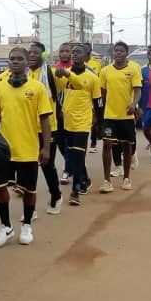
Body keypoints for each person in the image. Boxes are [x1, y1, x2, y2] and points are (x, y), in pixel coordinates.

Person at [0, 47, 52, 248]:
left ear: (27, 62)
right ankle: (5, 227)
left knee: (29, 190)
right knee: (0, 188)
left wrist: (46, 148)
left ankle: (26, 225)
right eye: (12, 59)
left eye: (19, 59)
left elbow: (45, 121)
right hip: (4, 151)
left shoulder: (38, 88)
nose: (15, 62)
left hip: (28, 149)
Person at [55, 44, 101, 206]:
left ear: (87, 55)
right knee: (74, 157)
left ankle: (75, 192)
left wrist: (100, 125)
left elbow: (98, 103)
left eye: (78, 52)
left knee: (78, 155)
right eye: (73, 52)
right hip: (67, 122)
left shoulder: (92, 77)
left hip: (83, 122)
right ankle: (85, 179)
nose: (74, 55)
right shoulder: (62, 74)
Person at [98, 40, 142, 192]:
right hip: (110, 116)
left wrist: (134, 104)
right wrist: (103, 110)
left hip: (126, 116)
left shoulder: (134, 68)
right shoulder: (105, 71)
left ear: (126, 53)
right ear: (113, 53)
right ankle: (106, 181)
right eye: (116, 51)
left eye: (121, 51)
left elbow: (137, 90)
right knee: (107, 145)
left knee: (126, 146)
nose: (118, 53)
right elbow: (102, 92)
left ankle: (126, 178)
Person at [28, 42, 63, 214]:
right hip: (28, 129)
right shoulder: (22, 75)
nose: (32, 55)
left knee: (46, 165)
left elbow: (73, 83)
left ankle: (56, 195)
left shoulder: (52, 74)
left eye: (36, 53)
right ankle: (30, 209)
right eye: (30, 52)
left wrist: (66, 73)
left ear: (43, 55)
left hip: (49, 128)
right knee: (29, 166)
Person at [54, 42, 74, 184]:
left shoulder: (76, 68)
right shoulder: (53, 69)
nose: (64, 53)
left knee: (69, 142)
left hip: (73, 112)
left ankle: (67, 170)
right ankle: (72, 162)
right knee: (60, 141)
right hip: (57, 112)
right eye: (62, 51)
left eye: (67, 51)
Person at [84, 43, 104, 153]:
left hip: (95, 94)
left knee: (95, 119)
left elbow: (100, 80)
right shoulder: (76, 64)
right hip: (82, 95)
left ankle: (93, 142)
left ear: (90, 51)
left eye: (87, 49)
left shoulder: (97, 64)